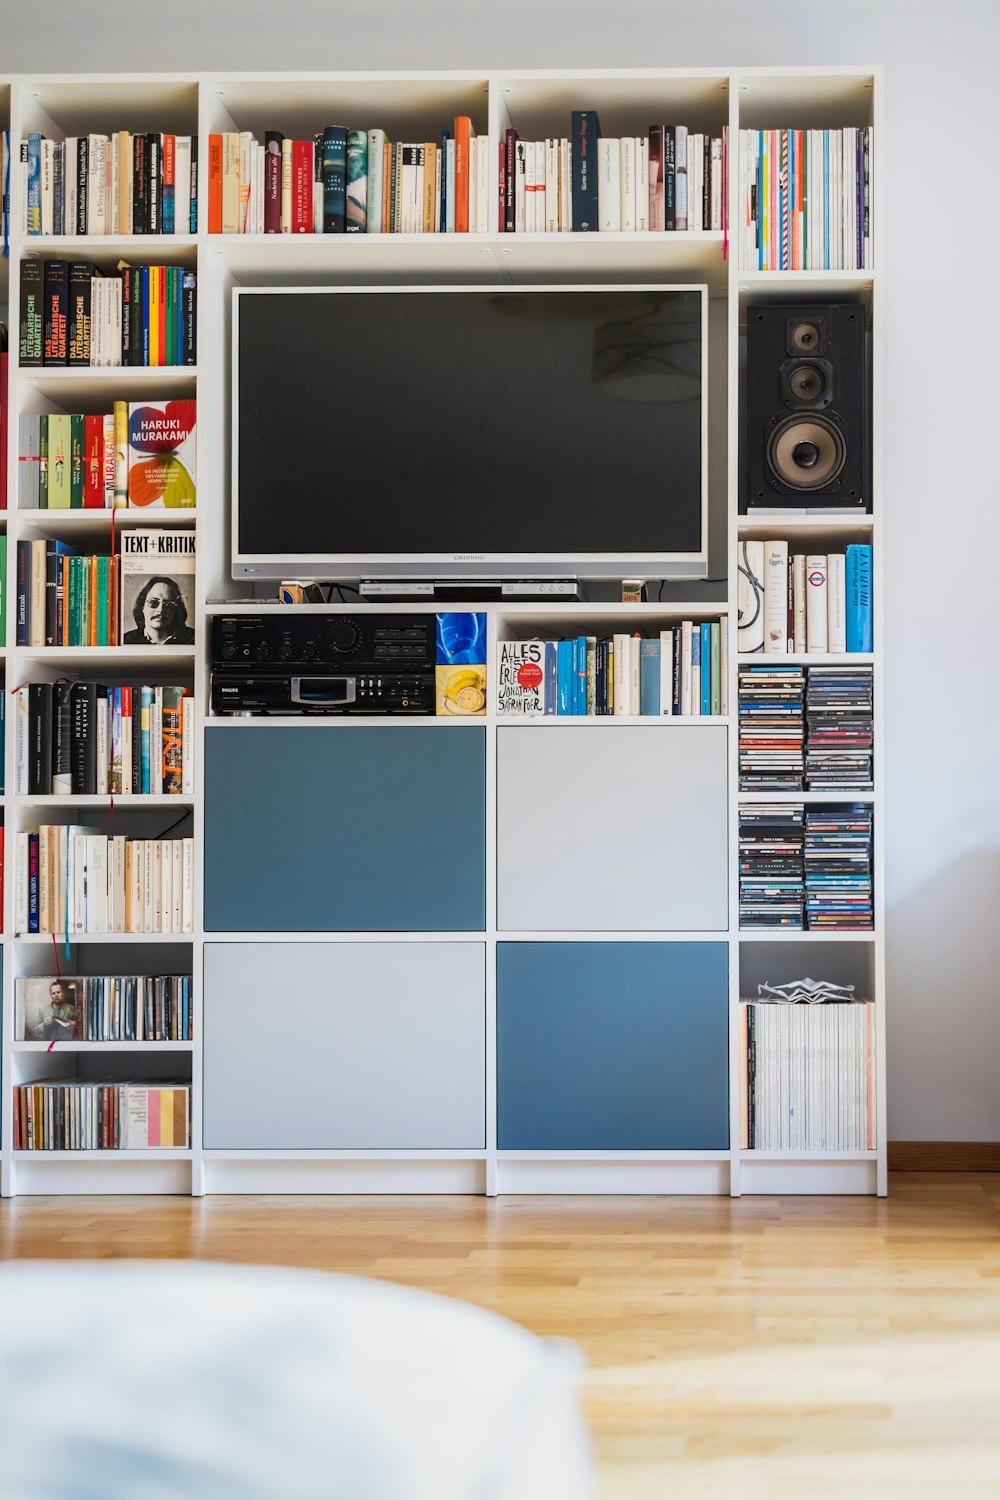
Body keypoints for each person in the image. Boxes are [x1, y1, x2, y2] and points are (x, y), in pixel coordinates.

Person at [123, 577, 195, 645]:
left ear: (176, 610)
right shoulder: (126, 640)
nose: (160, 610)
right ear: (142, 606)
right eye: (153, 603)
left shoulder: (193, 638)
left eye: (168, 605)